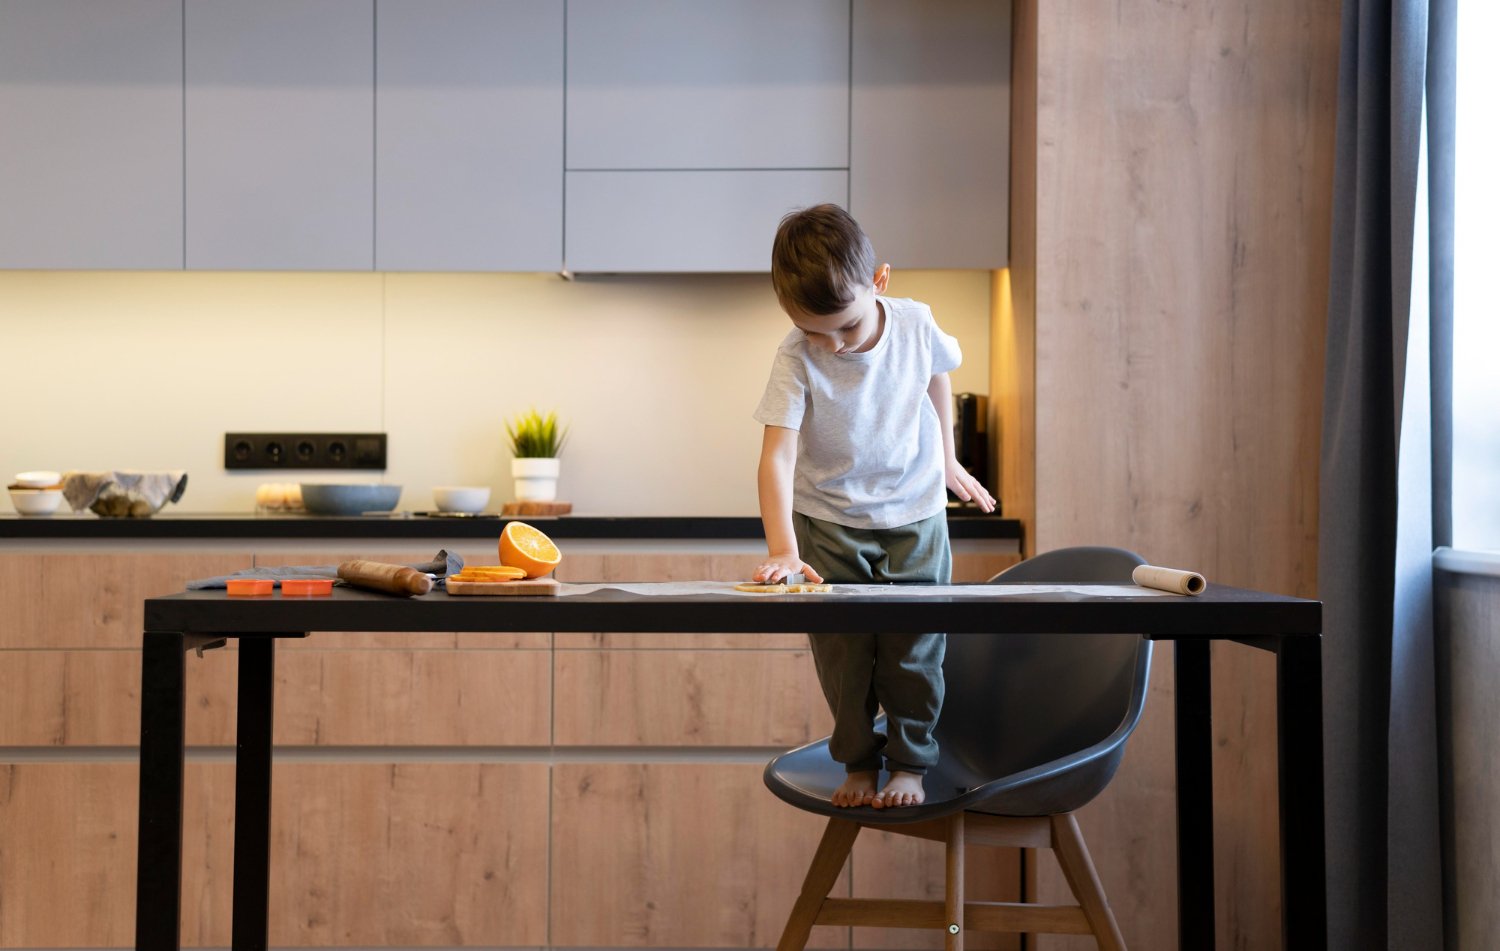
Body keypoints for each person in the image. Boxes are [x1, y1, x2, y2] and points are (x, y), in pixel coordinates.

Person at [752, 204, 996, 809]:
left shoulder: (915, 324)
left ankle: (910, 765)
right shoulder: (795, 356)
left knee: (915, 651)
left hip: (915, 512)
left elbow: (936, 376)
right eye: (814, 332)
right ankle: (858, 764)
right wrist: (783, 548)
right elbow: (777, 457)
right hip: (829, 520)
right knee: (844, 655)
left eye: (846, 327)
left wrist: (948, 458)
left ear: (878, 281)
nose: (832, 345)